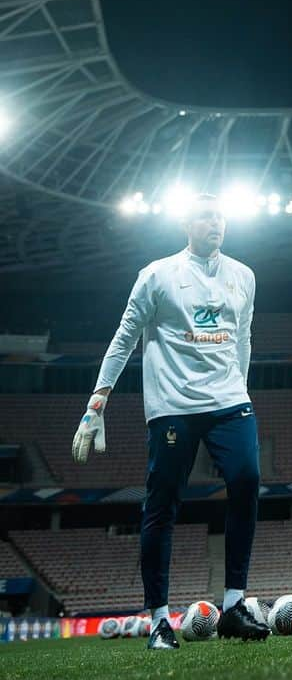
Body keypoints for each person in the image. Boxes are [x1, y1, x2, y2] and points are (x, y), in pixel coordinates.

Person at [71, 194, 268, 650]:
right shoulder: (157, 275)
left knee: (247, 479)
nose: (215, 222)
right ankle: (159, 618)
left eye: (220, 214)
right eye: (205, 215)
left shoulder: (244, 276)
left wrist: (240, 388)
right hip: (173, 405)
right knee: (162, 504)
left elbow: (243, 337)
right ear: (187, 223)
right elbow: (124, 339)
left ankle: (234, 605)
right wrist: (96, 402)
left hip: (229, 400)